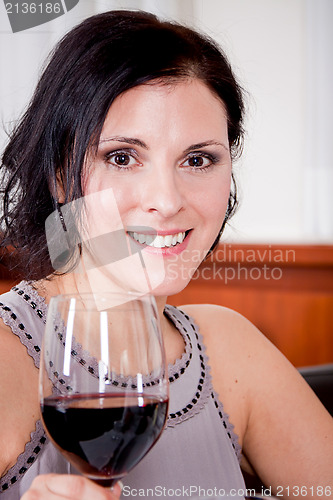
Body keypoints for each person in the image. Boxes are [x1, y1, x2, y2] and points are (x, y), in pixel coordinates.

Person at [0, 9, 332, 500]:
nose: (168, 199)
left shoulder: (230, 349)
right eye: (122, 157)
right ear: (58, 176)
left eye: (197, 160)